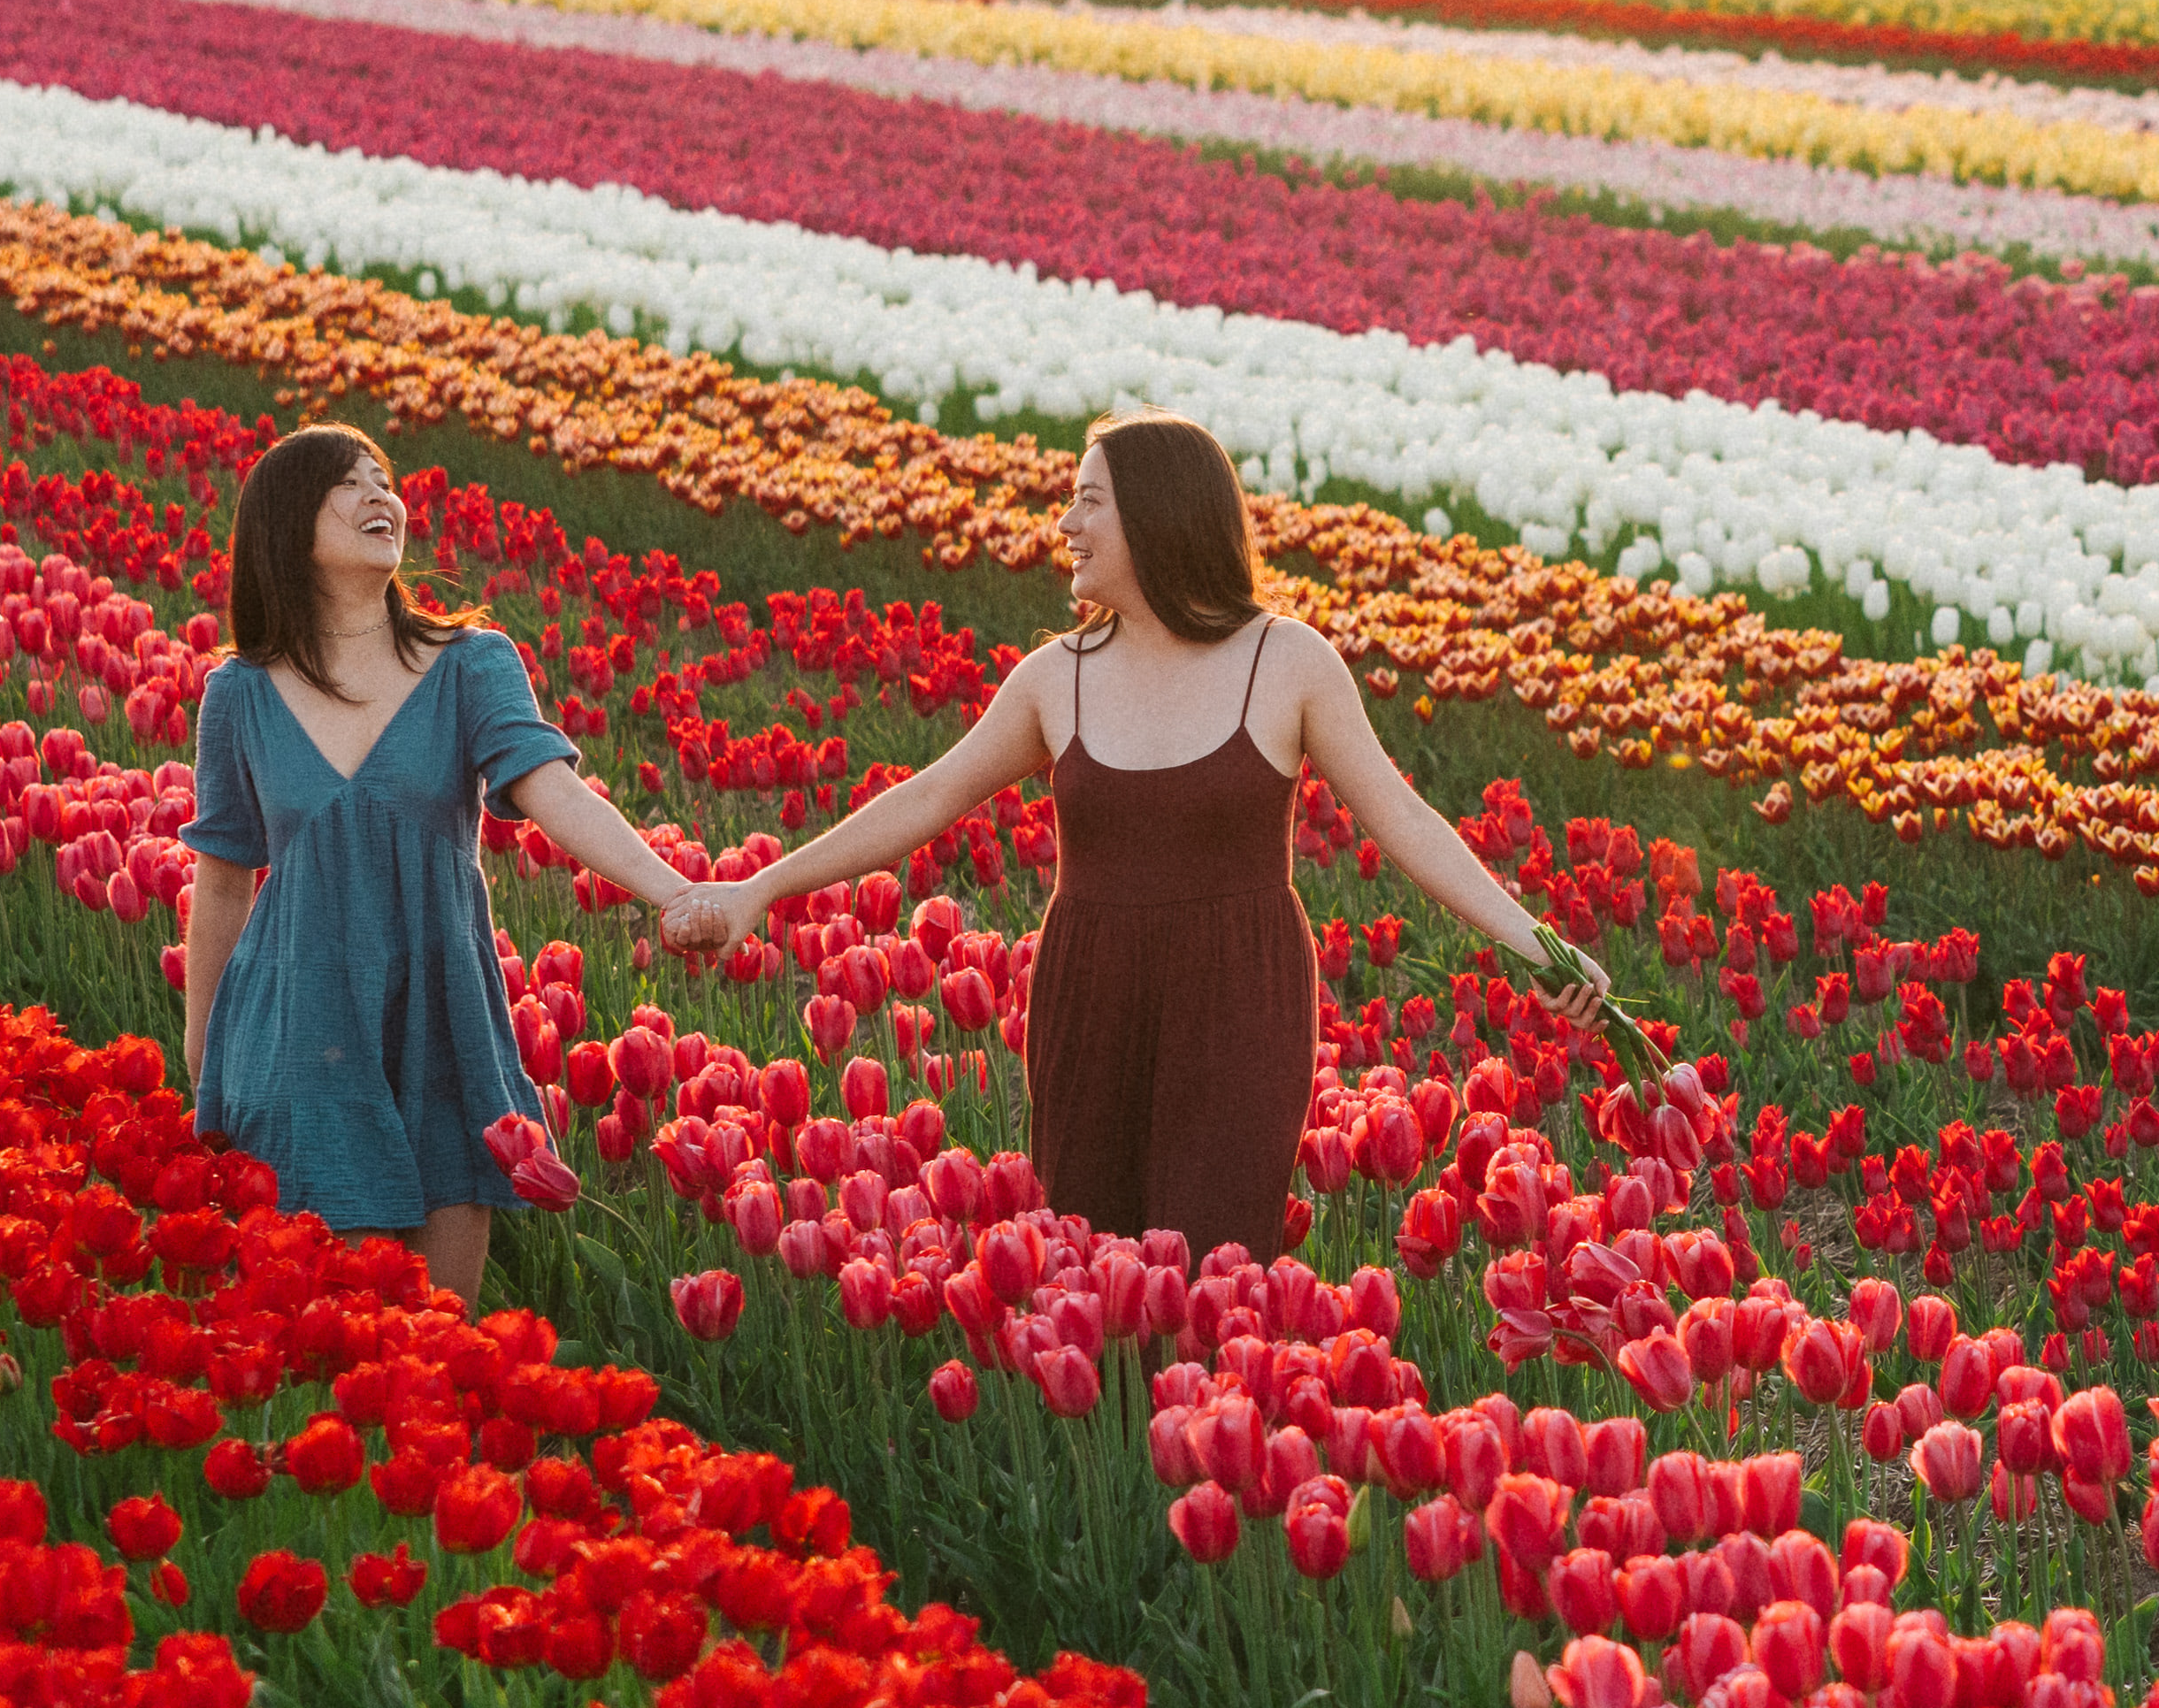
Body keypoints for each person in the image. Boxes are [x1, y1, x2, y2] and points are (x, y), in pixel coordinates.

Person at [669, 414, 1607, 1260]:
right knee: (1091, 1268)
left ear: (1160, 514)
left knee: (1209, 1269)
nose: (1064, 524)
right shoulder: (1056, 677)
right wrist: (760, 889)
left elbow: (1402, 819)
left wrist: (1536, 944)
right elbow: (929, 796)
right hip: (1091, 993)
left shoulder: (1286, 661)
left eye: (1089, 501)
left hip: (1237, 998)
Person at [177, 425, 715, 1306]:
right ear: (285, 524)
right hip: (303, 1029)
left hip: (439, 1021)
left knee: (439, 1335)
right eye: (347, 483)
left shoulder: (471, 664)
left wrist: (675, 890)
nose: (379, 496)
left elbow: (554, 791)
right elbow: (223, 881)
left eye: (382, 479)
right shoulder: (239, 693)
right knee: (338, 1330)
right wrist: (207, 1057)